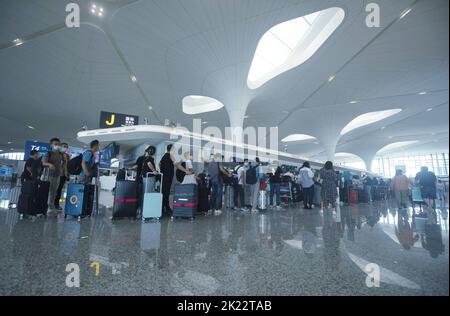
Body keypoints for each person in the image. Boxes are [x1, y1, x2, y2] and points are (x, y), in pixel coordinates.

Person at [42, 137, 63, 212]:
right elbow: (43, 162)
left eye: (58, 144)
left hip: (57, 175)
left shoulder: (60, 154)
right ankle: (43, 206)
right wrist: (49, 165)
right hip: (48, 175)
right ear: (51, 145)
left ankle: (51, 206)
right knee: (47, 191)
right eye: (55, 144)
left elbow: (60, 164)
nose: (57, 145)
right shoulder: (48, 153)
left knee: (54, 192)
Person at [159, 144, 175, 215]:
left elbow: (159, 164)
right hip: (167, 178)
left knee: (164, 192)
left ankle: (163, 208)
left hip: (164, 177)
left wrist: (162, 171)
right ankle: (166, 208)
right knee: (166, 192)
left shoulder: (164, 156)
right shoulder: (169, 157)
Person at [54, 143, 69, 210]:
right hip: (56, 175)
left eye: (66, 147)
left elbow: (67, 165)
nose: (65, 148)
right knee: (53, 190)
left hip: (63, 175)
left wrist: (67, 175)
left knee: (59, 190)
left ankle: (56, 204)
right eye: (64, 147)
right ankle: (50, 204)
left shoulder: (67, 155)